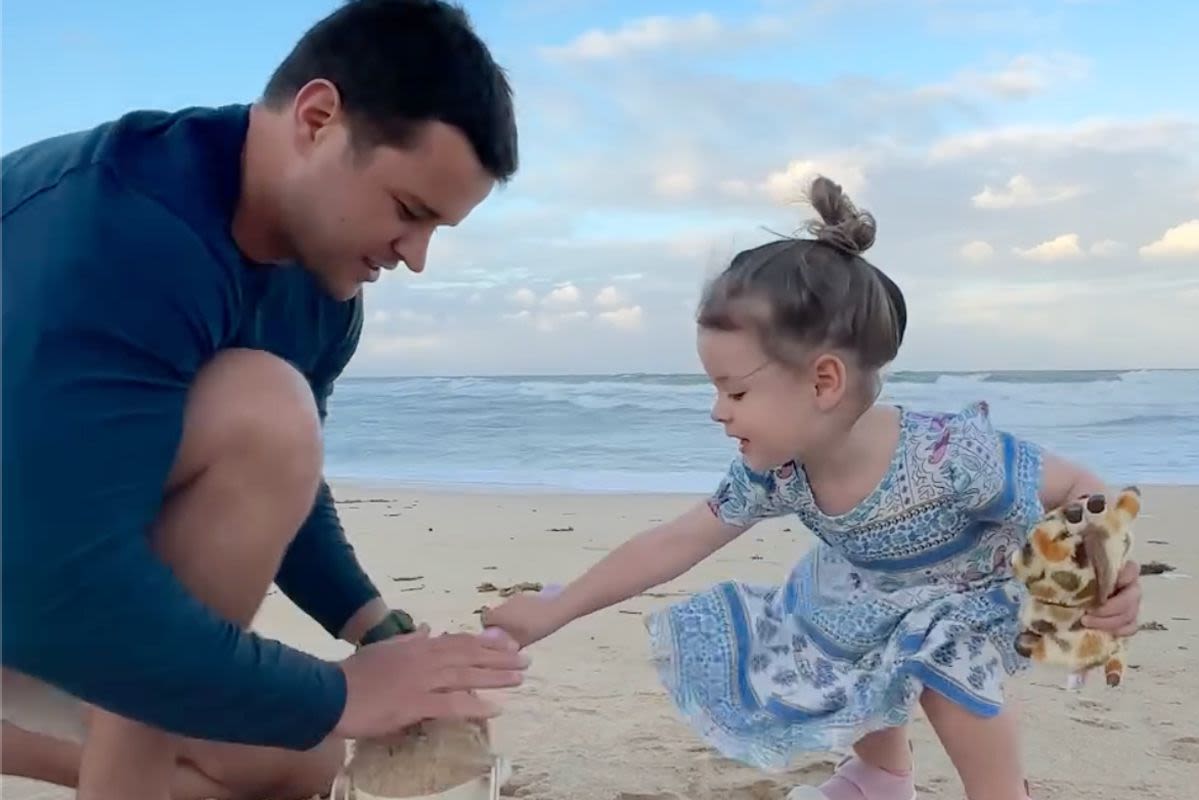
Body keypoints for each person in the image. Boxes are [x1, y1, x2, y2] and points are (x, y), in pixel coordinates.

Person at [1, 1, 530, 798]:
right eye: (408, 211)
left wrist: (372, 630)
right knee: (266, 413)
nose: (413, 257)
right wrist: (347, 690)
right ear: (317, 119)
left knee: (302, 763)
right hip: (39, 584)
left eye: (436, 231)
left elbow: (280, 481)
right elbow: (56, 583)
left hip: (53, 578)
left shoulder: (322, 289)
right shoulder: (118, 231)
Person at [481, 176, 1145, 800]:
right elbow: (676, 541)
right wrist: (556, 609)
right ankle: (879, 778)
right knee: (828, 627)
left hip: (970, 598)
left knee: (940, 652)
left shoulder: (948, 453)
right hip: (863, 593)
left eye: (734, 390)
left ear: (822, 381)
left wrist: (1108, 575)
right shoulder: (780, 471)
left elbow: (1078, 487)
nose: (718, 411)